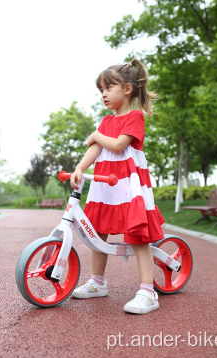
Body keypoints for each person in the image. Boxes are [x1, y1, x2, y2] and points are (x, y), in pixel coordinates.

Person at [69, 59, 166, 315]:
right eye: (101, 90)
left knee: (137, 235)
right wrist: (80, 167)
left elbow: (118, 145)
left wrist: (95, 136)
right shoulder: (105, 122)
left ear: (126, 89)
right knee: (96, 230)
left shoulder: (134, 117)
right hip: (105, 183)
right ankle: (97, 282)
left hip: (128, 184)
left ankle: (148, 291)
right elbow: (96, 149)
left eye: (108, 88)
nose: (103, 94)